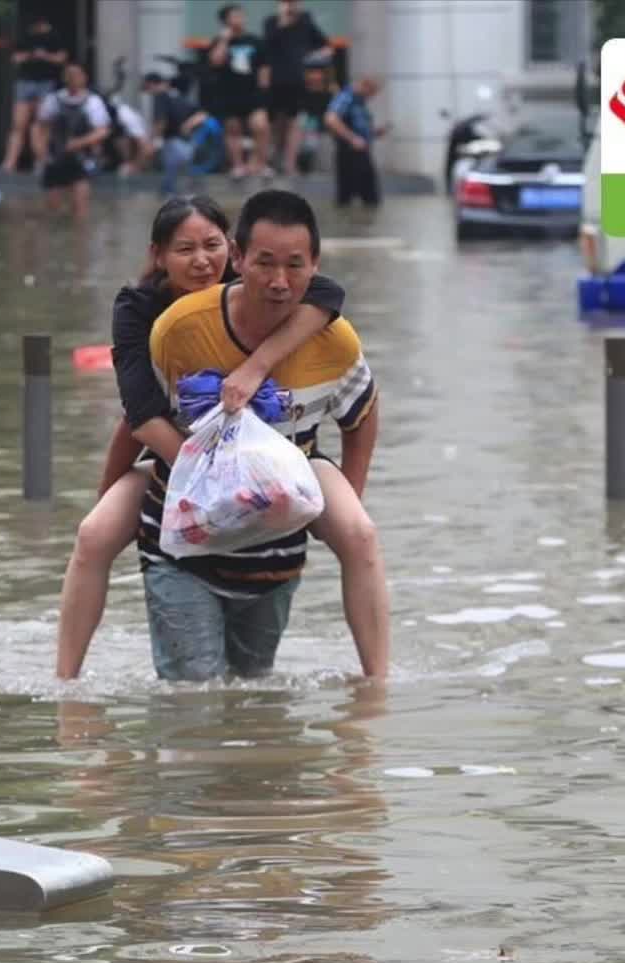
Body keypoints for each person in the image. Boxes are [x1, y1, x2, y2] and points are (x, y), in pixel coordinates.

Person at [54, 194, 389, 682]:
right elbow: (137, 416)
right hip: (177, 454)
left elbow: (328, 299)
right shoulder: (152, 316)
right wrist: (207, 472)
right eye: (184, 249)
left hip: (287, 456)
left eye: (210, 245)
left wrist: (256, 367)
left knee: (359, 533)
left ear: (229, 251)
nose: (201, 261)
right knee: (93, 534)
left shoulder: (282, 297)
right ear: (159, 256)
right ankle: (66, 683)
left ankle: (377, 684)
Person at [258, 0, 332, 175]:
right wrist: (283, 21)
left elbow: (326, 46)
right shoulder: (271, 22)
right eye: (286, 2)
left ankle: (290, 164)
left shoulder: (306, 22)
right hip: (276, 80)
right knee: (275, 122)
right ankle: (273, 158)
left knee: (295, 121)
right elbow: (267, 45)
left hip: (298, 80)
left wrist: (311, 57)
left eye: (294, 2)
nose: (290, 6)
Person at [31, 63, 110, 219]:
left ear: (84, 78)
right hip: (55, 157)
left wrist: (79, 143)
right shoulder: (53, 100)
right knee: (52, 211)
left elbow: (102, 131)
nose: (73, 78)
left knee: (81, 209)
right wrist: (39, 151)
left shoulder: (93, 102)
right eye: (69, 75)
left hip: (81, 158)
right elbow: (40, 127)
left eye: (76, 75)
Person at [204, 4, 270, 178]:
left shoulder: (255, 41)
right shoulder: (218, 41)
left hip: (253, 92)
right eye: (234, 16)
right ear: (225, 20)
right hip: (229, 92)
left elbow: (264, 68)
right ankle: (238, 166)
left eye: (241, 15)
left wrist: (264, 91)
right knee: (233, 129)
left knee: (261, 126)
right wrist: (224, 40)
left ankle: (259, 164)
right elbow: (215, 62)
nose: (239, 19)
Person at [2, 15, 69, 173]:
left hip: (45, 82)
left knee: (41, 124)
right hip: (26, 82)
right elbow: (16, 58)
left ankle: (40, 160)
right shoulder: (25, 37)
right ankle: (10, 163)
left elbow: (62, 58)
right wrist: (31, 55)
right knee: (19, 124)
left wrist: (45, 56)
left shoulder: (54, 38)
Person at [141, 71, 209, 196]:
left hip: (173, 143)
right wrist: (188, 125)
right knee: (183, 178)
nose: (147, 92)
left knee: (171, 183)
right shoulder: (178, 95)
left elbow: (160, 122)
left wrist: (153, 142)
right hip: (189, 144)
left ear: (151, 84)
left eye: (146, 88)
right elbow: (203, 115)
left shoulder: (160, 96)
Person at [323, 76, 387, 207]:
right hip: (349, 152)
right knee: (351, 196)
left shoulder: (359, 102)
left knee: (369, 197)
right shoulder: (346, 97)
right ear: (365, 86)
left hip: (361, 151)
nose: (372, 97)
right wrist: (352, 138)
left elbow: (359, 127)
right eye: (372, 92)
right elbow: (330, 119)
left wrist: (374, 133)